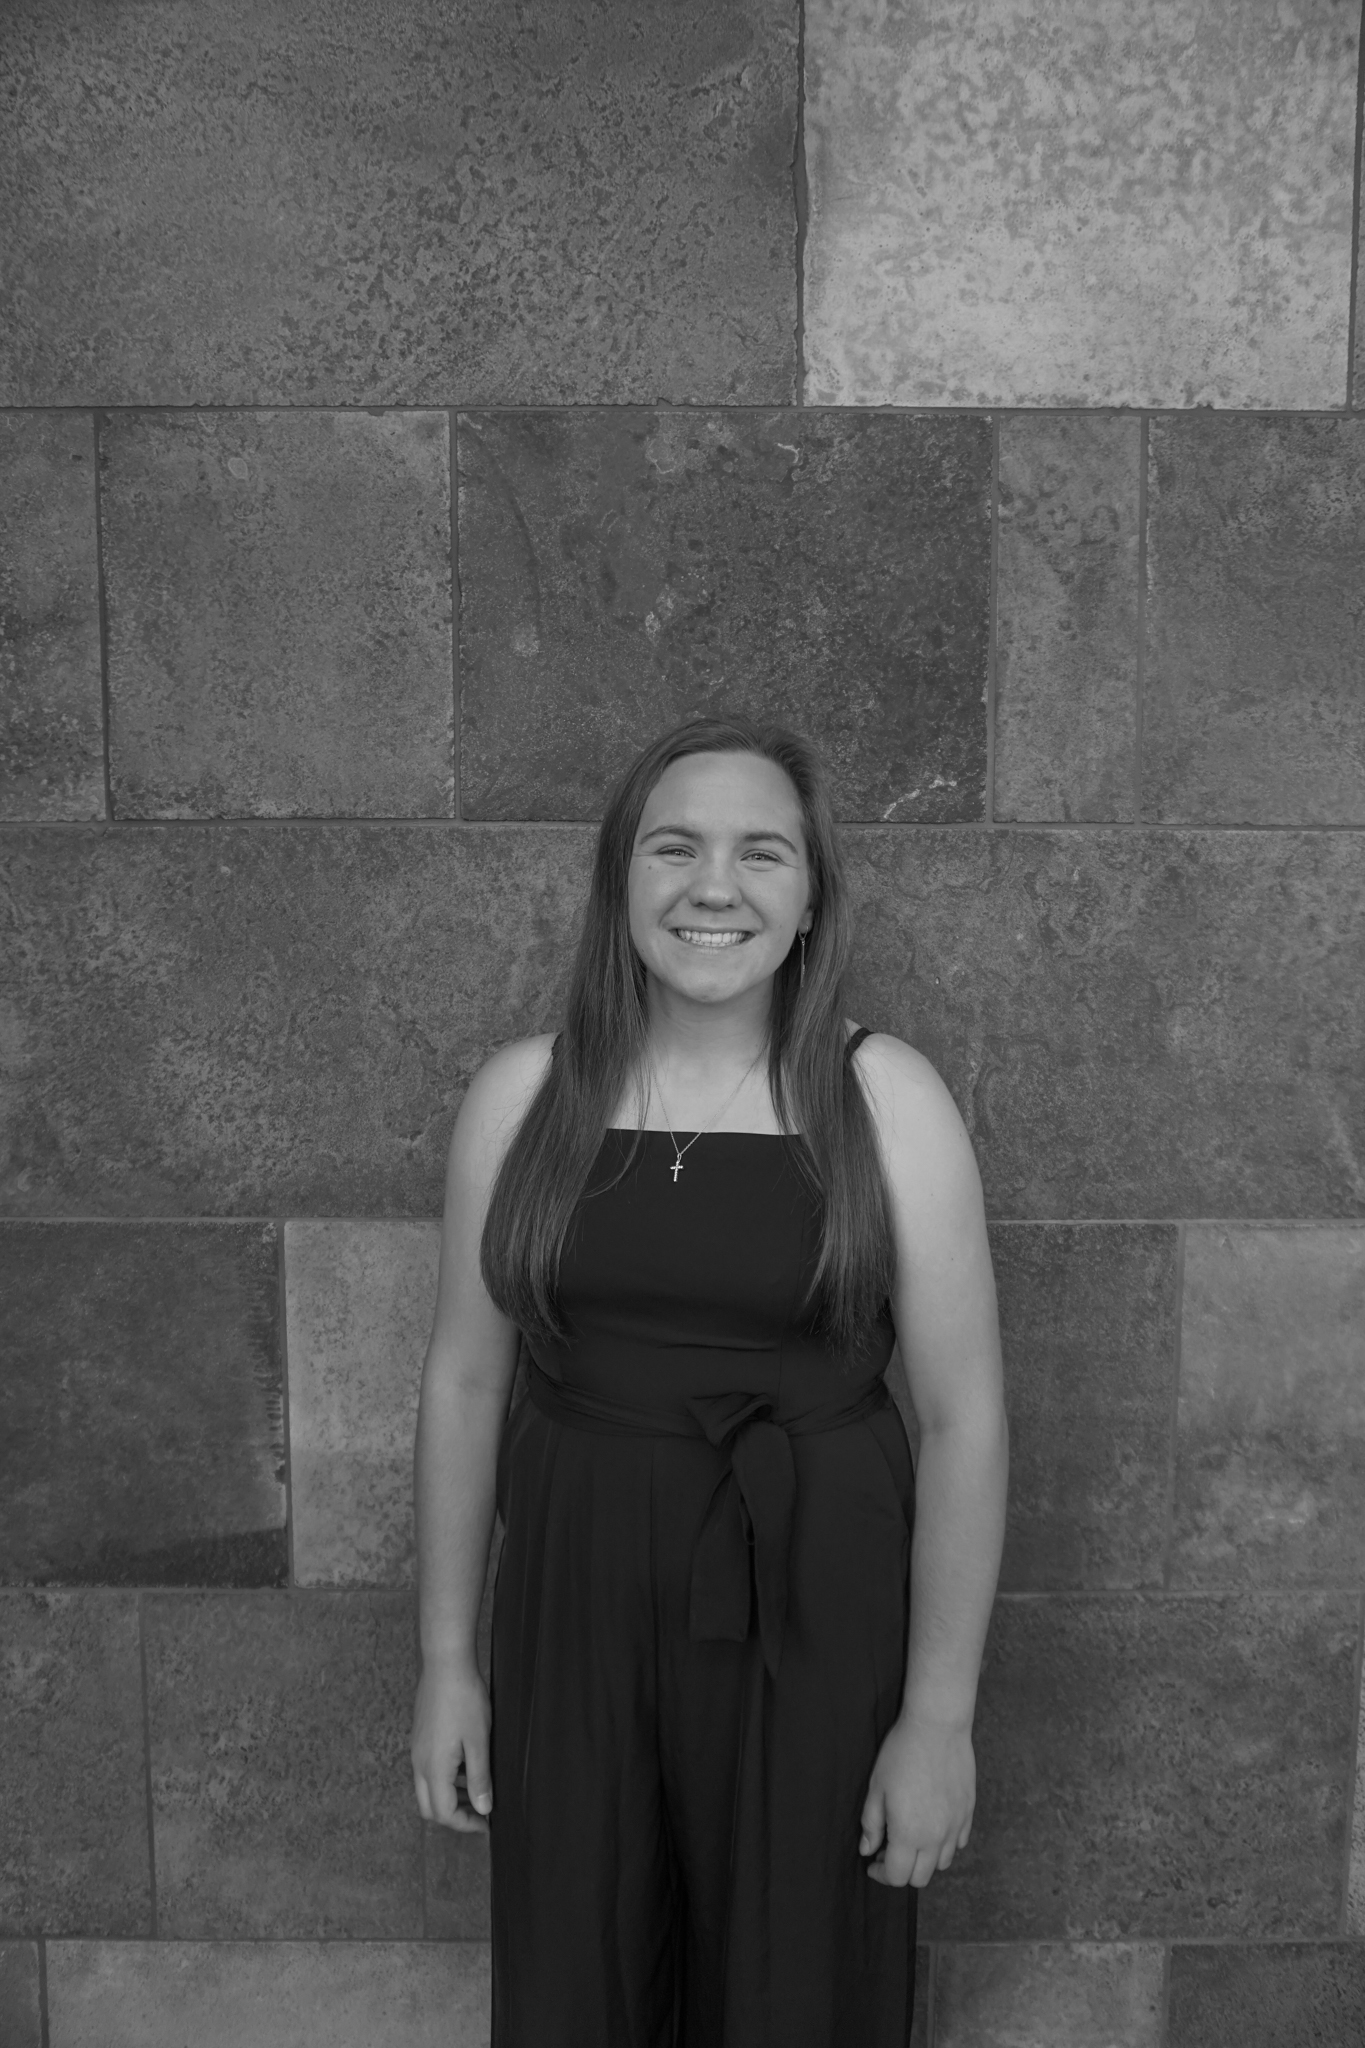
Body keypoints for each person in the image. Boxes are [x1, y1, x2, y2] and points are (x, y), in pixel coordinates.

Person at [411, 715, 1008, 2047]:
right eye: (674, 847)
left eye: (762, 853)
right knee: (580, 1972)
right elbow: (463, 1380)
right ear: (622, 881)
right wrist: (447, 1662)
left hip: (813, 1590)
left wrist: (937, 1719)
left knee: (797, 1980)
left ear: (808, 898)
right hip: (571, 1595)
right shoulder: (521, 1099)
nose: (713, 888)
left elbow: (964, 1423)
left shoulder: (884, 1100)